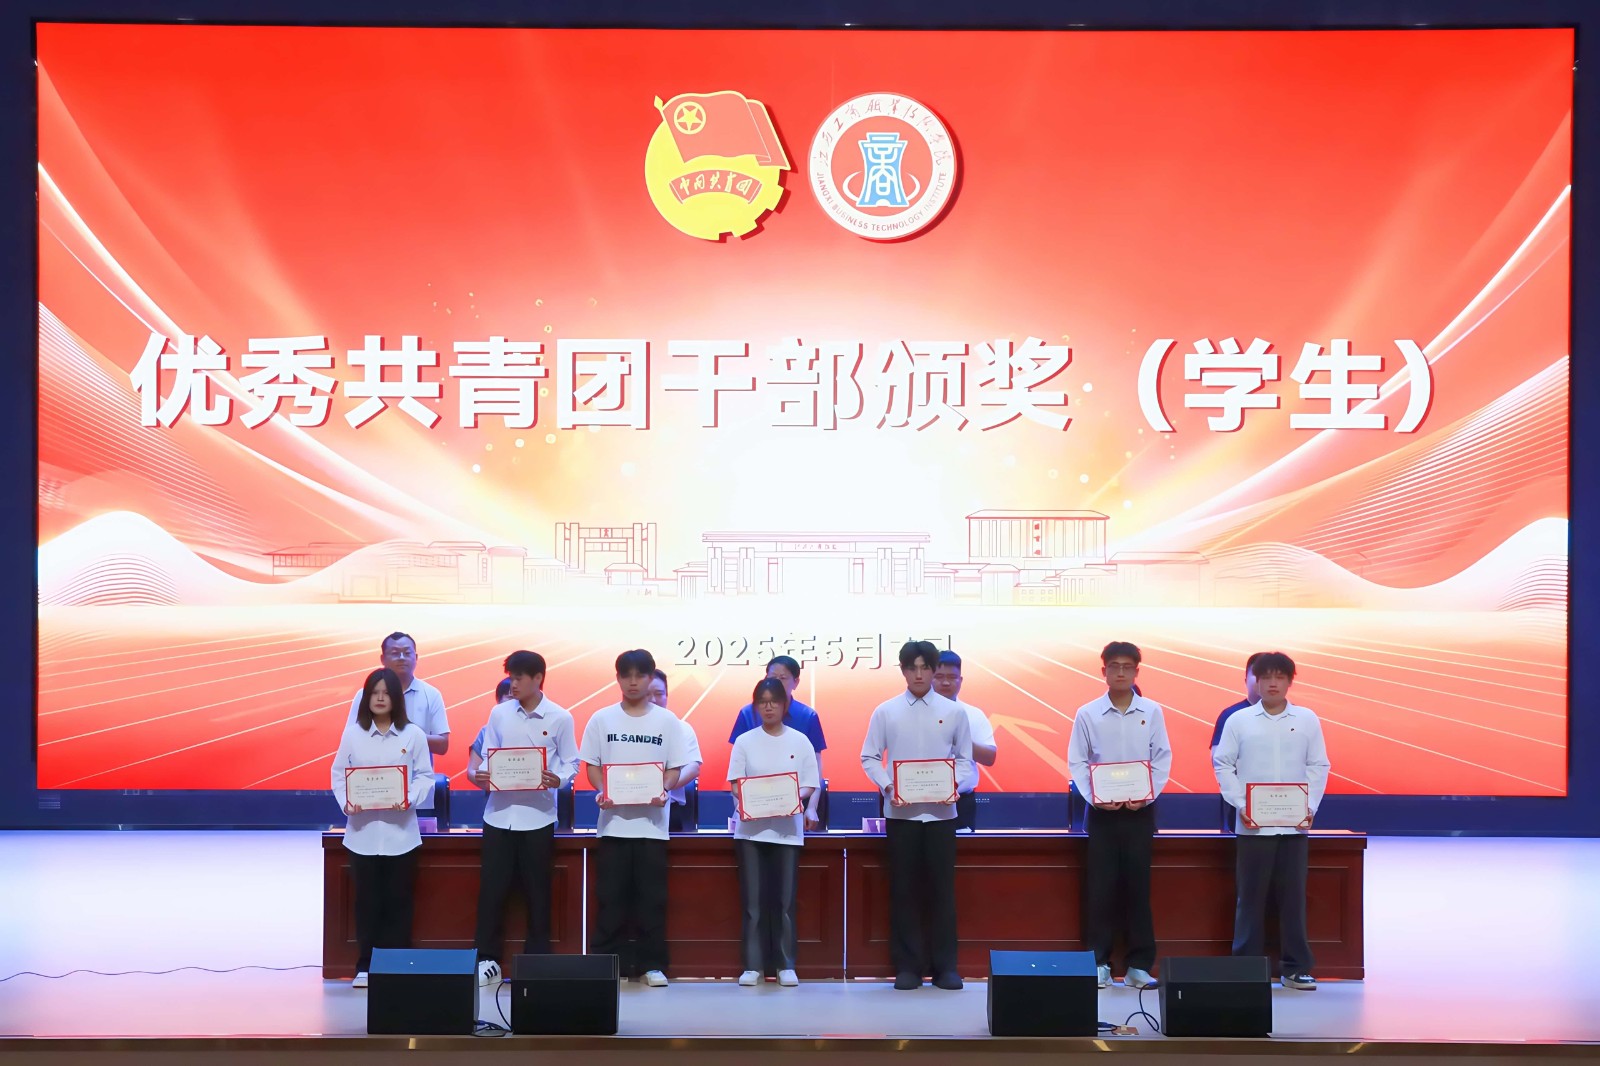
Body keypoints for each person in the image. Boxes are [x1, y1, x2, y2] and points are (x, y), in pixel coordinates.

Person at [1212, 651, 1331, 992]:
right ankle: (1247, 968)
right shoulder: (1239, 721)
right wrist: (1240, 805)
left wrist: (1309, 806)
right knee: (1250, 898)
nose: (1273, 683)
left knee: (1293, 897)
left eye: (1280, 676)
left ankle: (1295, 968)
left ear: (1290, 681)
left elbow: (1318, 765)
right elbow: (1223, 764)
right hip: (1253, 826)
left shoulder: (1307, 719)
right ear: (1255, 681)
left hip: (1294, 826)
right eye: (1266, 677)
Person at [860, 640, 972, 990]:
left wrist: (953, 784)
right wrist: (888, 785)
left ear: (935, 671)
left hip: (942, 815)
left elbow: (965, 760)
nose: (919, 674)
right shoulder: (886, 711)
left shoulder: (954, 712)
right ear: (904, 671)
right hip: (901, 815)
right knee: (904, 891)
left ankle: (945, 968)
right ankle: (908, 967)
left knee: (942, 892)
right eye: (912, 668)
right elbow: (869, 757)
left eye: (926, 668)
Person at [579, 649, 689, 987]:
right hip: (613, 825)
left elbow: (675, 768)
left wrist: (663, 788)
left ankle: (652, 965)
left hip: (652, 827)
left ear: (650, 678)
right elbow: (592, 766)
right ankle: (606, 964)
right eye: (626, 675)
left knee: (651, 900)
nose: (632, 682)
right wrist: (603, 790)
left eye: (640, 675)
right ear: (617, 678)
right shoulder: (602, 719)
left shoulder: (668, 722)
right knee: (610, 899)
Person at [1067, 641, 1172, 991]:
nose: (1121, 672)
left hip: (1140, 813)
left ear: (1137, 672)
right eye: (1115, 666)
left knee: (1138, 890)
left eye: (1128, 667)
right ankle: (1098, 963)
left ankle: (1138, 966)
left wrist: (1147, 795)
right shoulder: (1088, 713)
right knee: (1101, 890)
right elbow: (1078, 761)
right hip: (1102, 814)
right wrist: (1096, 798)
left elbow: (1162, 758)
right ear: (1104, 671)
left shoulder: (1152, 712)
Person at [470, 651, 578, 986]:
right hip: (498, 816)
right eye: (511, 677)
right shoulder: (499, 713)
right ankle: (486, 961)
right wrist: (484, 773)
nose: (513, 684)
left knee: (538, 893)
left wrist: (558, 779)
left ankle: (536, 963)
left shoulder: (560, 717)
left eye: (519, 678)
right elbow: (488, 756)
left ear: (538, 678)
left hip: (538, 817)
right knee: (492, 892)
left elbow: (572, 763)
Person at [330, 667, 435, 989]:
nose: (379, 698)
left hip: (401, 836)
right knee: (366, 904)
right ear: (366, 698)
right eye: (374, 692)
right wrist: (348, 802)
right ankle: (365, 966)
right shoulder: (353, 734)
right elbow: (338, 772)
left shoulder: (413, 734)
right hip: (362, 836)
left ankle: (397, 966)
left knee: (399, 903)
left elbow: (425, 776)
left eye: (386, 693)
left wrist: (409, 798)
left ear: (396, 698)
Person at [728, 677, 819, 988]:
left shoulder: (800, 741)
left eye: (774, 702)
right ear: (756, 706)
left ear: (784, 705)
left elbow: (810, 784)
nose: (768, 707)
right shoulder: (744, 741)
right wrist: (756, 800)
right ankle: (752, 966)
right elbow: (735, 784)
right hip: (750, 833)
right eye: (762, 702)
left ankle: (785, 965)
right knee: (753, 904)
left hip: (787, 832)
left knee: (784, 903)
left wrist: (790, 799)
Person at [730, 656, 827, 830]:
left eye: (783, 678)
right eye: (772, 677)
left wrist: (811, 807)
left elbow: (815, 768)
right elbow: (737, 772)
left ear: (796, 682)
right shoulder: (747, 714)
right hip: (754, 810)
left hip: (793, 809)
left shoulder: (808, 716)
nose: (777, 683)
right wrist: (740, 806)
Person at [347, 632, 450, 757]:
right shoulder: (365, 695)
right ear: (383, 659)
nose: (402, 658)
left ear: (416, 657)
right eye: (395, 653)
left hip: (417, 769)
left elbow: (442, 745)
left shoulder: (431, 694)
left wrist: (408, 735)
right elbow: (349, 740)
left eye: (407, 653)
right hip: (374, 767)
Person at [932, 651, 997, 832]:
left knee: (961, 850)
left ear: (960, 680)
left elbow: (990, 757)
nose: (946, 682)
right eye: (939, 677)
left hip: (961, 803)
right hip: (920, 801)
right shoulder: (912, 714)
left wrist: (960, 740)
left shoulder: (973, 714)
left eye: (952, 677)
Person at [1211, 653, 1265, 830]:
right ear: (1245, 679)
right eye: (1257, 673)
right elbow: (1218, 760)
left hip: (1283, 802)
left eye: (1273, 675)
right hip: (1239, 803)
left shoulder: (1297, 716)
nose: (1264, 680)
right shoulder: (1231, 715)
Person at [650, 669, 703, 833]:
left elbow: (693, 767)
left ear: (667, 696)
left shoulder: (682, 728)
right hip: (630, 806)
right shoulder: (625, 729)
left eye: (659, 694)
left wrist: (663, 787)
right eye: (648, 694)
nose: (653, 699)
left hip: (671, 807)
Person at [466, 677, 515, 784]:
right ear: (498, 700)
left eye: (519, 700)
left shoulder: (538, 729)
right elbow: (471, 771)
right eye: (510, 698)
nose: (514, 703)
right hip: (496, 793)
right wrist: (490, 783)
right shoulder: (486, 731)